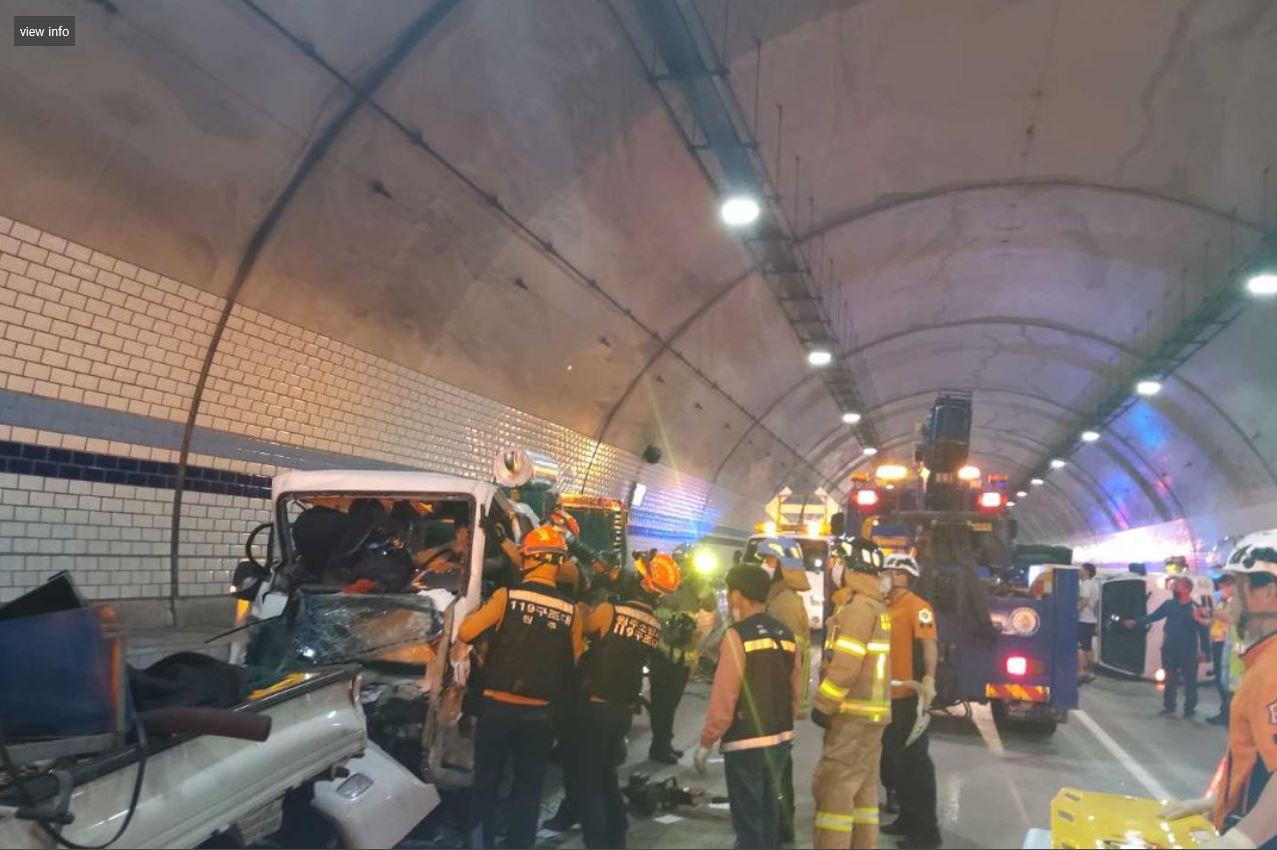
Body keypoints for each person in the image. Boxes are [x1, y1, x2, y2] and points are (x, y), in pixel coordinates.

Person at [454, 525, 585, 849]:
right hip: (540, 716)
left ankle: (482, 843)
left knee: (486, 783)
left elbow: (467, 632)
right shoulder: (571, 611)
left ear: (531, 560)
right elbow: (575, 659)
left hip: (498, 708)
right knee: (529, 787)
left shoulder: (506, 597)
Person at [1157, 547, 1277, 849]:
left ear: (1268, 594)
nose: (1230, 597)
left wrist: (1239, 841)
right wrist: (1219, 801)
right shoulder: (1264, 659)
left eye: (1239, 585)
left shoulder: (1273, 668)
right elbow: (1258, 761)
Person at [559, 552, 679, 848]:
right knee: (606, 776)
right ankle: (617, 837)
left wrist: (586, 597)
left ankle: (598, 841)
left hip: (594, 708)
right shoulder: (653, 625)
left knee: (588, 782)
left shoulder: (609, 612)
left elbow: (582, 627)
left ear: (642, 583)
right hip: (622, 712)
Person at [694, 564, 800, 850]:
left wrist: (706, 742)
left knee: (748, 822)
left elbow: (725, 696)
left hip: (746, 743)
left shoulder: (737, 635)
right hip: (780, 740)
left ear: (737, 595)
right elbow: (795, 692)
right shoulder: (786, 634)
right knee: (769, 816)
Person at [811, 537, 892, 850]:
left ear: (852, 567)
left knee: (835, 793)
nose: (835, 568)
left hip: (852, 718)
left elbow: (846, 666)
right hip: (871, 719)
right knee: (863, 795)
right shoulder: (876, 606)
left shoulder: (858, 609)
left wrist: (823, 703)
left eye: (839, 562)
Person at [879, 553, 942, 850]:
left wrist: (929, 678)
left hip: (909, 698)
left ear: (904, 576)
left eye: (889, 571)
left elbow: (929, 646)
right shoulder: (886, 606)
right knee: (897, 764)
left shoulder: (919, 607)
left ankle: (927, 832)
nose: (884, 576)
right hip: (888, 697)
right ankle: (907, 816)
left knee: (916, 765)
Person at [760, 537, 812, 844]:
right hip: (776, 698)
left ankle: (780, 825)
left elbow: (788, 659)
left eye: (768, 560)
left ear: (781, 566)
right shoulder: (779, 598)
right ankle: (780, 822)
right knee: (777, 763)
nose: (764, 565)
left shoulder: (785, 604)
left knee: (776, 766)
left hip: (777, 700)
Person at [1124, 575, 1209, 718]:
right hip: (1170, 648)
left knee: (1190, 681)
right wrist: (1137, 622)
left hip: (1188, 650)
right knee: (1170, 678)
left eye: (1178, 586)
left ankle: (1189, 709)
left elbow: (1203, 631)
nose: (1174, 588)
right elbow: (1155, 616)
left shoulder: (1195, 608)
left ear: (1187, 588)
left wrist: (1204, 651)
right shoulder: (1170, 604)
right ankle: (1169, 706)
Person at [649, 552, 700, 764]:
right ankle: (659, 748)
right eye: (682, 564)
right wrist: (678, 625)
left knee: (670, 705)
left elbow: (711, 604)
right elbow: (660, 620)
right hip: (664, 655)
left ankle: (664, 744)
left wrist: (702, 583)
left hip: (682, 658)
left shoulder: (695, 588)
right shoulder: (666, 588)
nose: (686, 568)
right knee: (662, 705)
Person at [1209, 573, 1237, 726]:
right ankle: (1224, 711)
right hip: (1218, 642)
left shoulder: (1237, 603)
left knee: (1225, 681)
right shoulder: (1222, 602)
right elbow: (1215, 621)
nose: (1221, 590)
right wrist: (1204, 618)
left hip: (1227, 644)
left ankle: (1228, 714)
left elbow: (1230, 618)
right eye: (1219, 587)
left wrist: (1212, 612)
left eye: (1223, 587)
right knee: (1221, 680)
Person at [1078, 563, 1100, 684]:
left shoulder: (1085, 584)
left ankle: (1081, 672)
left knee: (1079, 646)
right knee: (1087, 647)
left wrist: (1076, 612)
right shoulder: (1095, 585)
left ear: (1086, 571)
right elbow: (1096, 605)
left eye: (1081, 569)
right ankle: (1091, 671)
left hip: (1083, 619)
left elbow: (1084, 600)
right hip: (1092, 620)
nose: (1079, 572)